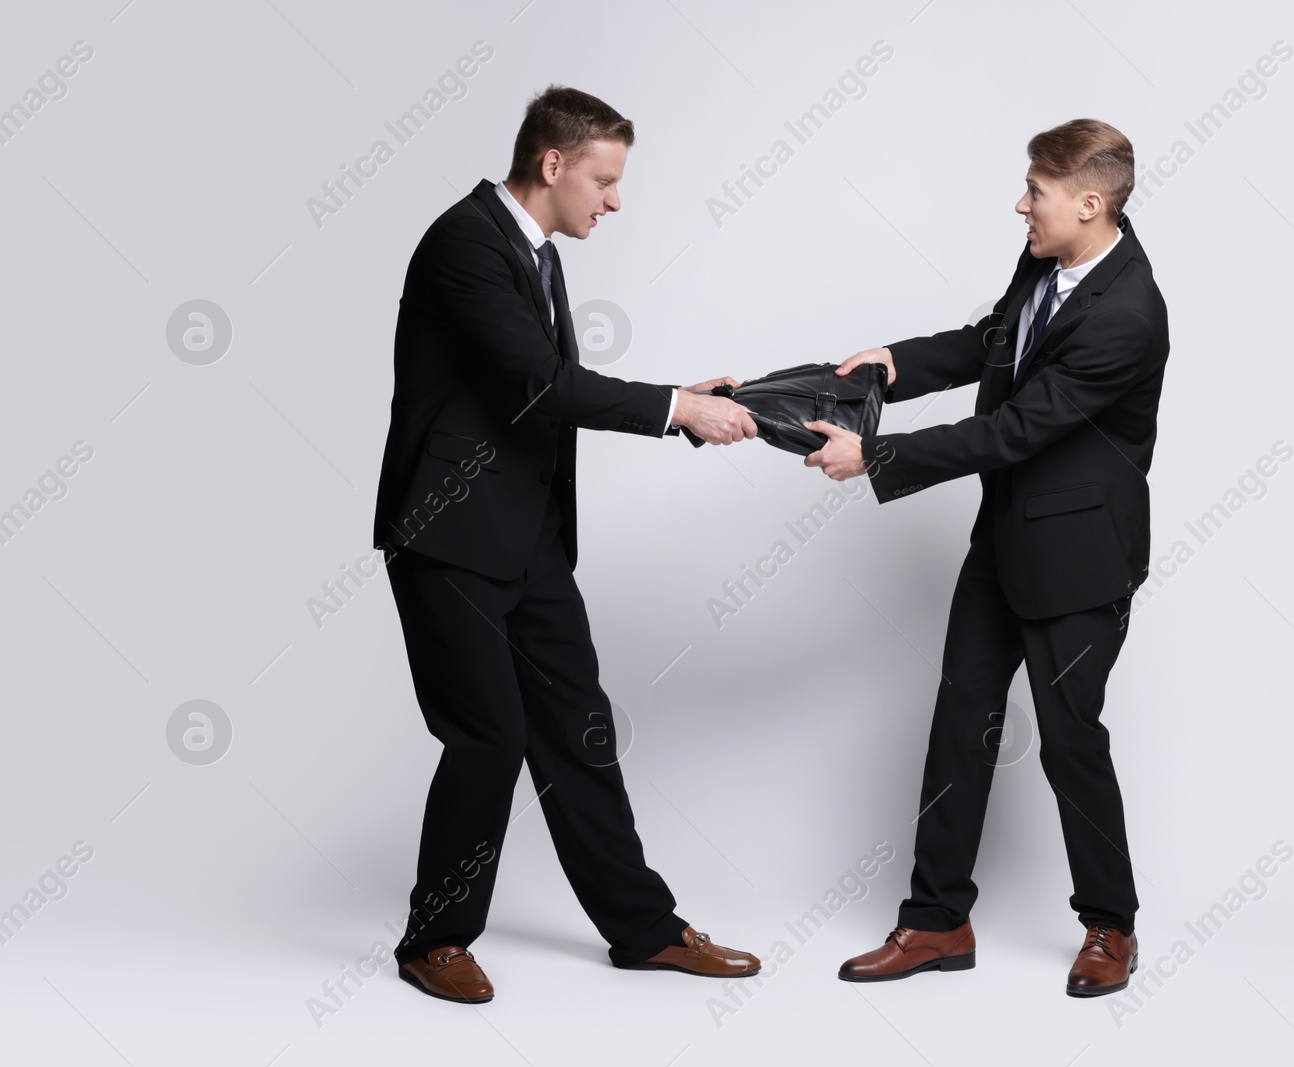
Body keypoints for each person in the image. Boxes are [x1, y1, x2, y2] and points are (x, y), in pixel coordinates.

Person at [371, 84, 761, 1003]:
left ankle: (644, 930)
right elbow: (541, 384)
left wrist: (683, 400)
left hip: (529, 539)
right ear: (553, 165)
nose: (614, 201)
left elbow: (547, 382)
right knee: (488, 738)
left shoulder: (534, 253)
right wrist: (675, 410)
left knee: (581, 732)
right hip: (452, 539)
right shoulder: (465, 243)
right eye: (606, 180)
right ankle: (436, 939)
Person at [805, 119, 1170, 997]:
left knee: (1070, 743)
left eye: (1035, 192)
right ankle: (937, 921)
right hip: (1003, 543)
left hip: (1080, 560)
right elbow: (990, 340)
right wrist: (896, 362)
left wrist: (877, 456)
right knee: (959, 721)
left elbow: (1016, 428)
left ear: (1091, 201)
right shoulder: (1047, 262)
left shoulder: (1128, 312)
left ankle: (1110, 925)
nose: (1021, 204)